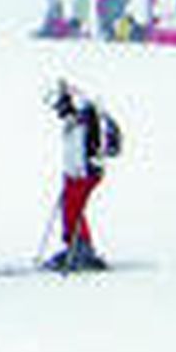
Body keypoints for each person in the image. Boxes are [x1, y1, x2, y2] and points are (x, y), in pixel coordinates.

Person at [45, 82, 113, 271]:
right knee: (70, 208)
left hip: (84, 172)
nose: (58, 112)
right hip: (75, 172)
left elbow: (87, 148)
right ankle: (74, 245)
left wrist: (78, 172)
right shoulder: (75, 119)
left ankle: (82, 249)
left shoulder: (85, 119)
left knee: (73, 208)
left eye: (59, 106)